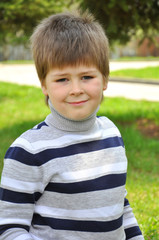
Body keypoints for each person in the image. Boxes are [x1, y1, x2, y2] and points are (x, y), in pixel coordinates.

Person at [0, 10, 144, 240]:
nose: (76, 89)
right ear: (44, 85)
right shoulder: (29, 151)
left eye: (87, 77)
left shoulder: (112, 134)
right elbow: (8, 229)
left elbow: (119, 204)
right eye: (62, 79)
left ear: (105, 79)